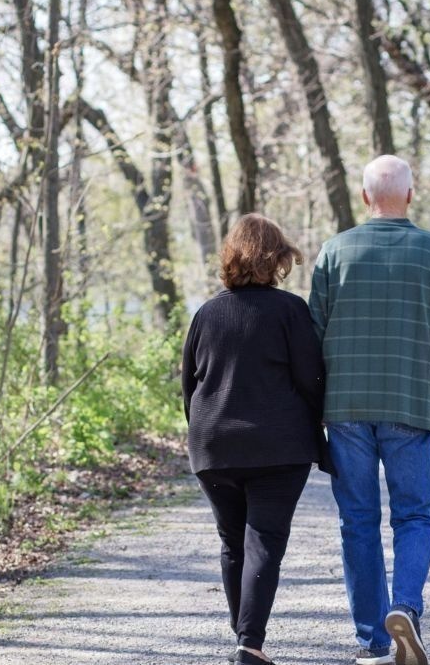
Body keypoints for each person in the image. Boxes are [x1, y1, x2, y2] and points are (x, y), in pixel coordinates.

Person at [308, 155, 430, 665]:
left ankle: (373, 642)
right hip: (409, 402)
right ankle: (404, 608)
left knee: (357, 521)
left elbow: (312, 336)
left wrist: (311, 406)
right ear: (410, 194)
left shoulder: (335, 251)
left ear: (364, 197)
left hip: (346, 408)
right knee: (414, 516)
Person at [182, 213, 325, 665]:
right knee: (263, 539)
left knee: (232, 542)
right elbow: (311, 378)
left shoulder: (206, 313)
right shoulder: (291, 311)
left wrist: (206, 431)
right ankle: (249, 643)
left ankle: (245, 637)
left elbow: (189, 385)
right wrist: (320, 428)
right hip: (277, 448)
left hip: (213, 445)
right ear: (278, 258)